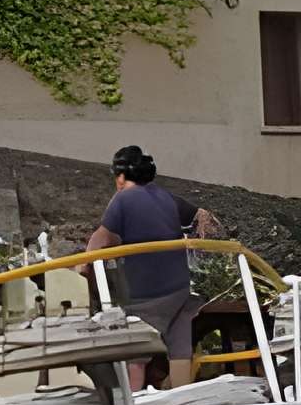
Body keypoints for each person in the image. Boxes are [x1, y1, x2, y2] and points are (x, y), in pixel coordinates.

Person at [87, 144, 225, 391]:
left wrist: (81, 268)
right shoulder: (165, 196)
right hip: (180, 290)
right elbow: (202, 216)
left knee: (136, 352)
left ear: (120, 176)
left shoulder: (122, 198)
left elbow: (101, 240)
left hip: (147, 295)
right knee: (179, 345)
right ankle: (183, 399)